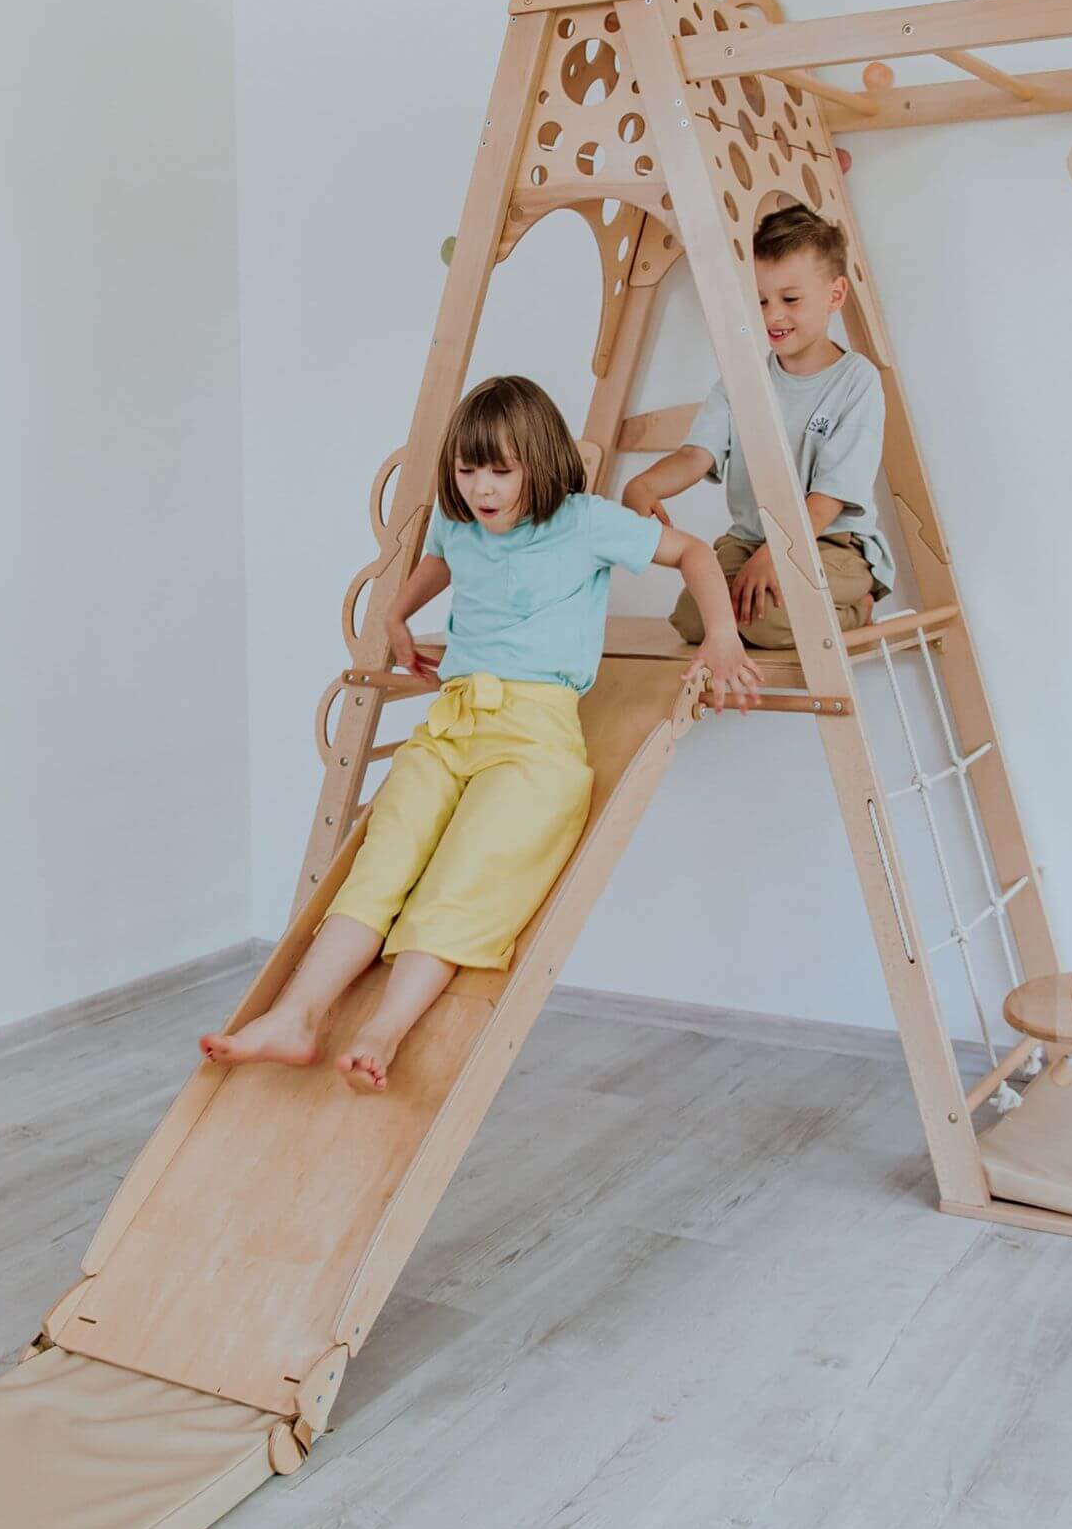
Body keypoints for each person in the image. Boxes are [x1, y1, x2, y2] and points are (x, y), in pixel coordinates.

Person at [201, 374, 761, 1092]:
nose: (482, 488)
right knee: (383, 859)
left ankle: (383, 1031)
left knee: (469, 876)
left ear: (541, 462)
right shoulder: (458, 519)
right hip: (449, 724)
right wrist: (398, 614)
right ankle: (297, 1017)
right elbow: (440, 558)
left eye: (501, 469)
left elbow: (690, 553)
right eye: (469, 470)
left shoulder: (584, 520)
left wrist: (722, 638)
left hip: (534, 741)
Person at [621, 204, 893, 649]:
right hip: (750, 542)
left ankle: (857, 606)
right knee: (694, 619)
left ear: (835, 295)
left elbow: (826, 501)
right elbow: (696, 455)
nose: (772, 316)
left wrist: (781, 555)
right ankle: (770, 590)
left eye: (790, 300)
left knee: (764, 622)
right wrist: (643, 486)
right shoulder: (742, 378)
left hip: (830, 545)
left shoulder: (856, 381)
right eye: (762, 300)